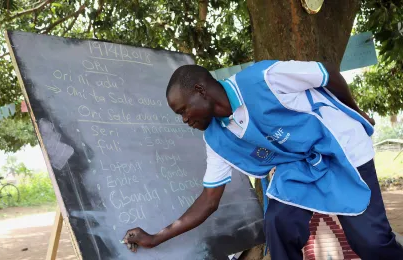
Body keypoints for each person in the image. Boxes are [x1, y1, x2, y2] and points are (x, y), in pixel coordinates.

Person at [122, 60, 403, 259]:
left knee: (371, 244)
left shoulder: (263, 78)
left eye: (183, 110)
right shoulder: (216, 138)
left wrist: (355, 112)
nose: (184, 119)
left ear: (200, 90)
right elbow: (209, 200)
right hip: (299, 164)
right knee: (279, 222)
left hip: (342, 146)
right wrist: (156, 237)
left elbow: (325, 71)